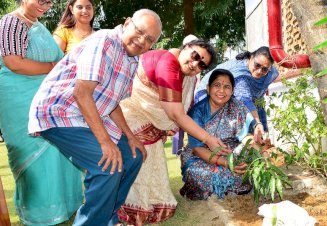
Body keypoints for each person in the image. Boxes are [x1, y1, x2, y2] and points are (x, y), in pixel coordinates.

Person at [28, 9, 162, 226]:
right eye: (139, 31)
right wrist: (105, 142)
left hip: (85, 115)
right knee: (107, 165)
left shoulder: (132, 60)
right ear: (127, 22)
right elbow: (81, 93)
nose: (141, 41)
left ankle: (108, 218)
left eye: (149, 39)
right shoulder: (104, 41)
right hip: (61, 112)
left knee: (132, 155)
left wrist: (130, 137)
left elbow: (111, 102)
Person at [118, 39, 226, 225]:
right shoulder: (168, 63)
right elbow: (176, 113)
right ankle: (123, 206)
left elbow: (180, 111)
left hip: (151, 123)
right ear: (186, 48)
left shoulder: (187, 76)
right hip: (132, 114)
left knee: (151, 161)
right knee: (137, 158)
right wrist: (208, 139)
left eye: (202, 64)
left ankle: (146, 202)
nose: (195, 64)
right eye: (195, 56)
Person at [0, 0, 84, 225]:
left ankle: (65, 207)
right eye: (41, 0)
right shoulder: (11, 22)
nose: (45, 5)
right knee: (34, 156)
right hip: (19, 101)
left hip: (47, 103)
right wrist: (53, 67)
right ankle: (40, 214)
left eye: (49, 2)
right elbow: (13, 62)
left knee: (57, 153)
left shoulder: (37, 25)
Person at [180, 69, 263, 200]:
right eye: (217, 85)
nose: (221, 91)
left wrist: (260, 153)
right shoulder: (197, 112)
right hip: (201, 155)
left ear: (232, 91)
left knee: (253, 161)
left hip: (231, 151)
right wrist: (226, 164)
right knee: (197, 173)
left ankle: (233, 184)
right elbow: (197, 148)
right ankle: (232, 186)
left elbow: (246, 137)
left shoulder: (236, 106)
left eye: (227, 87)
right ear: (208, 88)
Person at [195, 46, 280, 143]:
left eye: (264, 69)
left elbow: (276, 78)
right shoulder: (241, 76)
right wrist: (257, 123)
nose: (259, 71)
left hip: (230, 99)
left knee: (254, 133)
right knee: (230, 135)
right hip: (208, 96)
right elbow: (245, 101)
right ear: (251, 57)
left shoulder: (268, 72)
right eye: (257, 65)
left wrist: (299, 71)